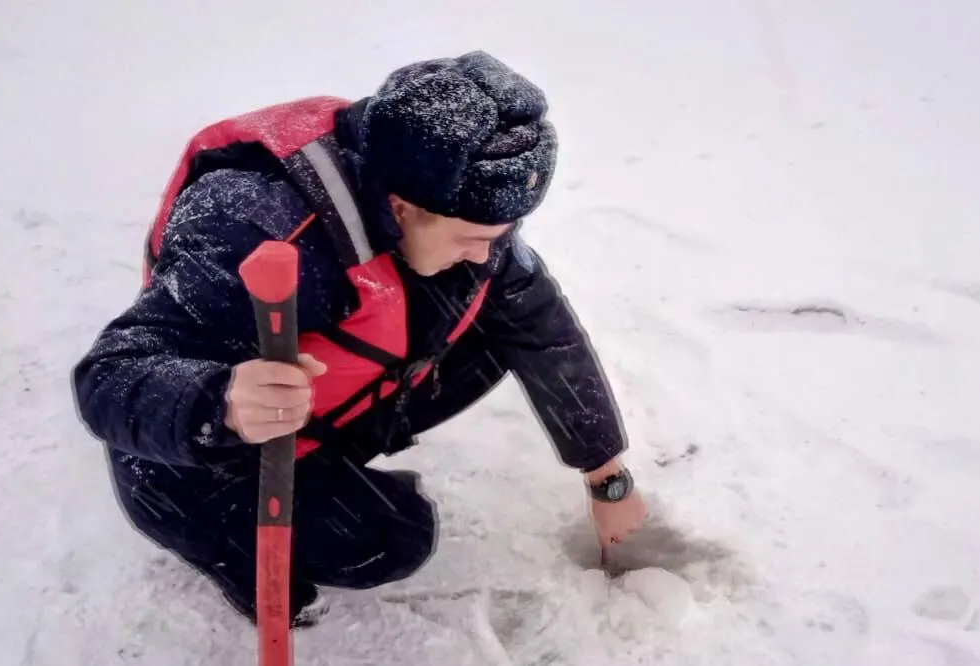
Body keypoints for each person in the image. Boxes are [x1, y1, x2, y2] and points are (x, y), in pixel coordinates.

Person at [72, 50, 647, 627]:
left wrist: (607, 476)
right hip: (197, 458)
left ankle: (333, 461)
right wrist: (218, 402)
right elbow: (108, 376)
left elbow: (544, 329)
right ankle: (229, 549)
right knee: (386, 540)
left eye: (501, 234)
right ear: (402, 208)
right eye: (473, 237)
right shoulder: (256, 230)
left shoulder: (452, 201)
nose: (487, 251)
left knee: (502, 323)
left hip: (318, 401)